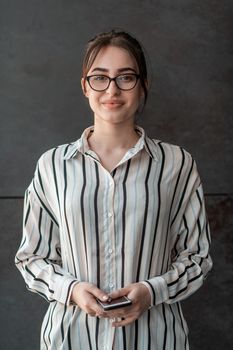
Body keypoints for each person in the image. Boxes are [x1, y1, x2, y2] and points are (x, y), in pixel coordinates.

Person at [15, 29, 213, 350]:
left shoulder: (176, 163)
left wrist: (152, 292)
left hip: (155, 339)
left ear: (143, 85)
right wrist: (72, 290)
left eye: (125, 77)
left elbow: (197, 257)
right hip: (71, 338)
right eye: (100, 77)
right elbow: (32, 258)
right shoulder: (52, 165)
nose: (112, 89)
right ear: (85, 86)